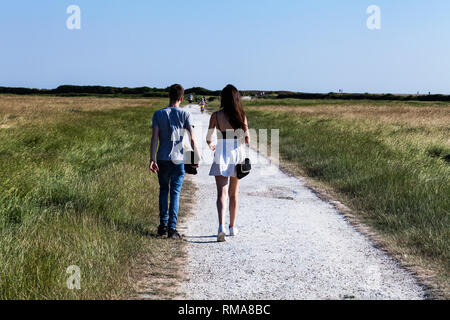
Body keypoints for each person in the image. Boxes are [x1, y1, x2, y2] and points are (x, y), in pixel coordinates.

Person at [149, 84, 199, 239]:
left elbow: (155, 138)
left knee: (163, 191)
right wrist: (195, 157)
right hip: (178, 159)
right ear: (182, 98)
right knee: (175, 192)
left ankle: (162, 226)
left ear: (169, 96)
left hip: (162, 158)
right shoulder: (185, 114)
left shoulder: (158, 114)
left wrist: (151, 158)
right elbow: (191, 138)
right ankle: (172, 229)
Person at [206, 85, 250, 242]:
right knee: (233, 193)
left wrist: (212, 145)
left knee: (221, 193)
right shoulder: (241, 115)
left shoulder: (216, 115)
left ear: (222, 98)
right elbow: (247, 139)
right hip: (236, 154)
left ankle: (221, 227)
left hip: (221, 153)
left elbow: (209, 138)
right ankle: (232, 227)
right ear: (236, 98)